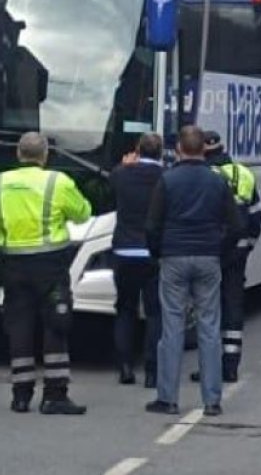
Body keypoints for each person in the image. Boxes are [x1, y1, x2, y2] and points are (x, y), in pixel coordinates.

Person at [0, 132, 92, 415]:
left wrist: (2, 249)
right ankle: (54, 394)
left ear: (18, 154)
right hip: (50, 266)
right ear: (45, 156)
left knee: (19, 326)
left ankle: (21, 395)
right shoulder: (58, 182)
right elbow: (83, 214)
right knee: (56, 324)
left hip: (13, 266)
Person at [144, 126, 243, 417]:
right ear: (203, 149)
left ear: (178, 150)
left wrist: (158, 252)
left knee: (172, 328)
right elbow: (236, 226)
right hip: (208, 258)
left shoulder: (167, 180)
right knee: (210, 328)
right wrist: (219, 252)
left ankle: (167, 398)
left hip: (174, 257)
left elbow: (152, 225)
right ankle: (212, 400)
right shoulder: (217, 183)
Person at [191, 130, 261, 384]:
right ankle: (230, 366)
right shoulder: (243, 173)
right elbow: (256, 217)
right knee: (233, 307)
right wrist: (247, 246)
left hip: (211, 251)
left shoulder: (203, 177)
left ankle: (207, 367)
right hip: (237, 252)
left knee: (208, 309)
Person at [108, 133, 165, 388]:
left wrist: (124, 164)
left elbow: (110, 186)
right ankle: (152, 371)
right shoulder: (166, 177)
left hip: (124, 251)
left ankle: (125, 367)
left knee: (125, 309)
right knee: (154, 312)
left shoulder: (121, 174)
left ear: (138, 150)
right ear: (161, 152)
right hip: (153, 253)